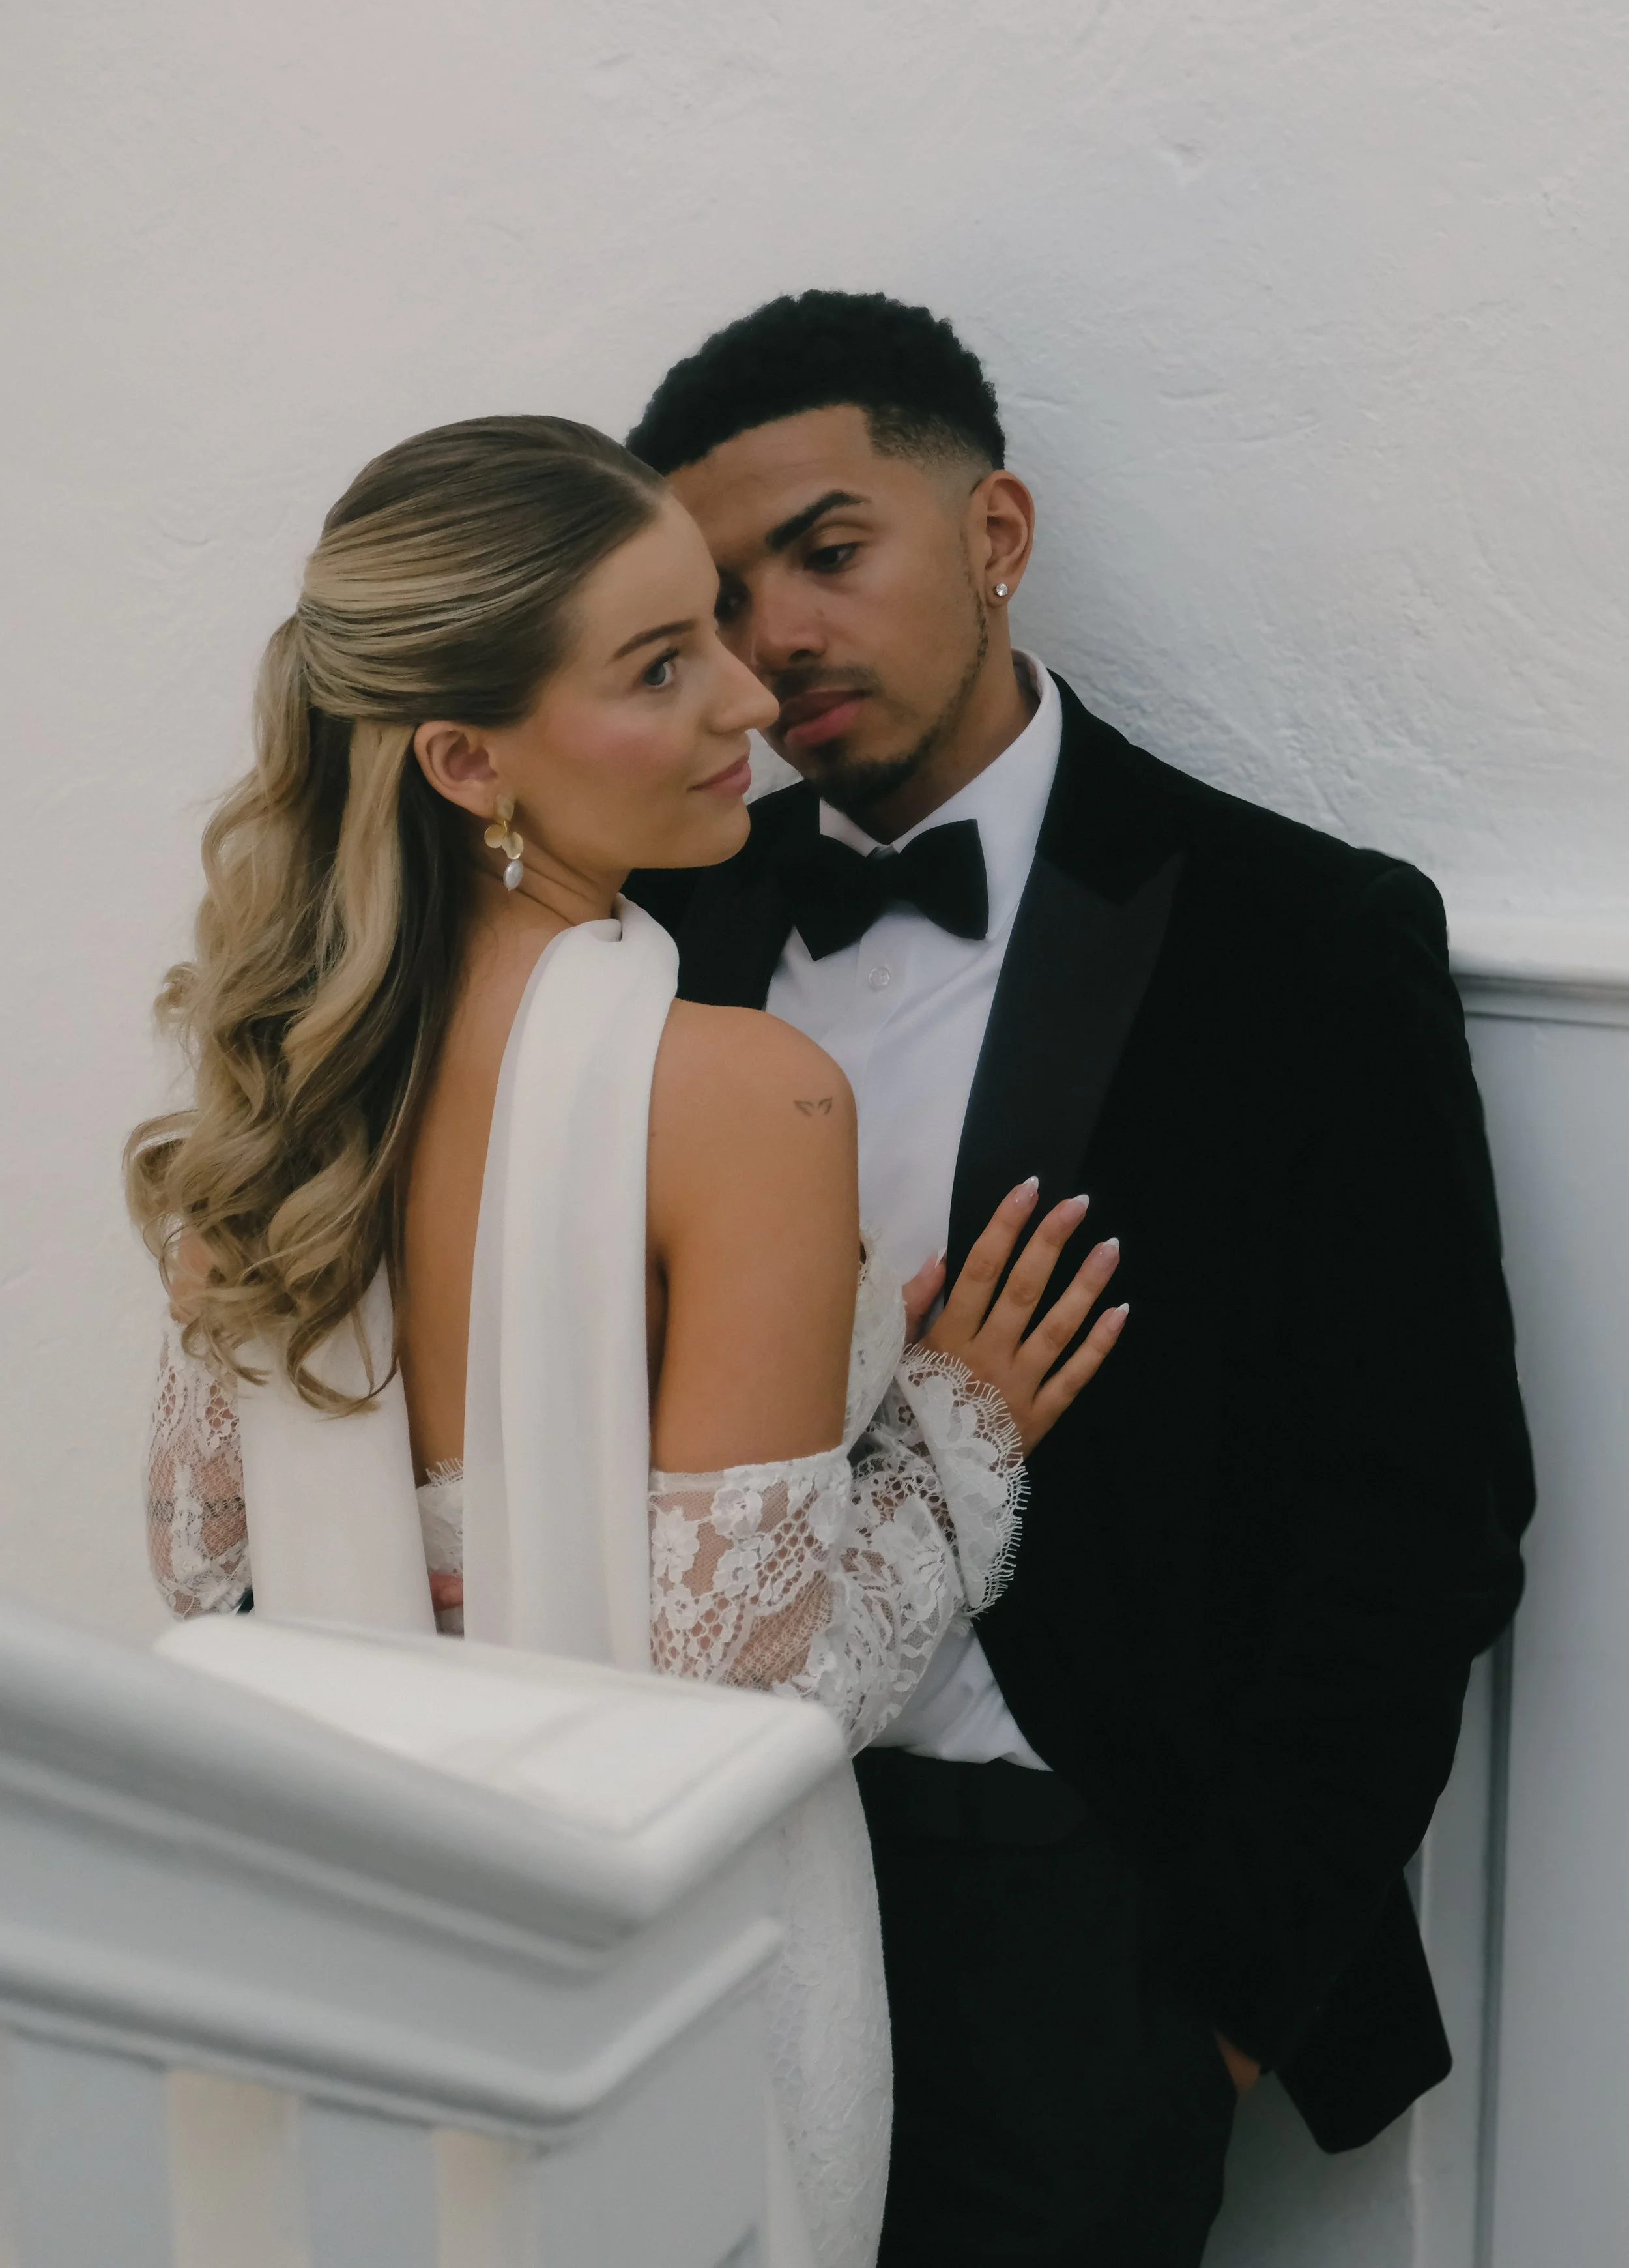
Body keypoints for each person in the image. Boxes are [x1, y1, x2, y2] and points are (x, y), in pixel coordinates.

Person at [128, 415, 1130, 2268]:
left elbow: (212, 1578)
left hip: (348, 1996)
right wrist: (958, 1436)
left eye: (720, 633)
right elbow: (730, 1713)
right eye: (663, 663)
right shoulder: (743, 1097)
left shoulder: (283, 1091)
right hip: (679, 2010)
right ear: (463, 758)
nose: (750, 692)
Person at [624, 291, 1536, 2267]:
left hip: (1065, 1915)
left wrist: (1209, 1996)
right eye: (717, 593)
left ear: (995, 535)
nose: (773, 635)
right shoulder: (647, 926)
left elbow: (1425, 1515)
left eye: (829, 550)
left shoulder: (1300, 940)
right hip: (694, 1890)